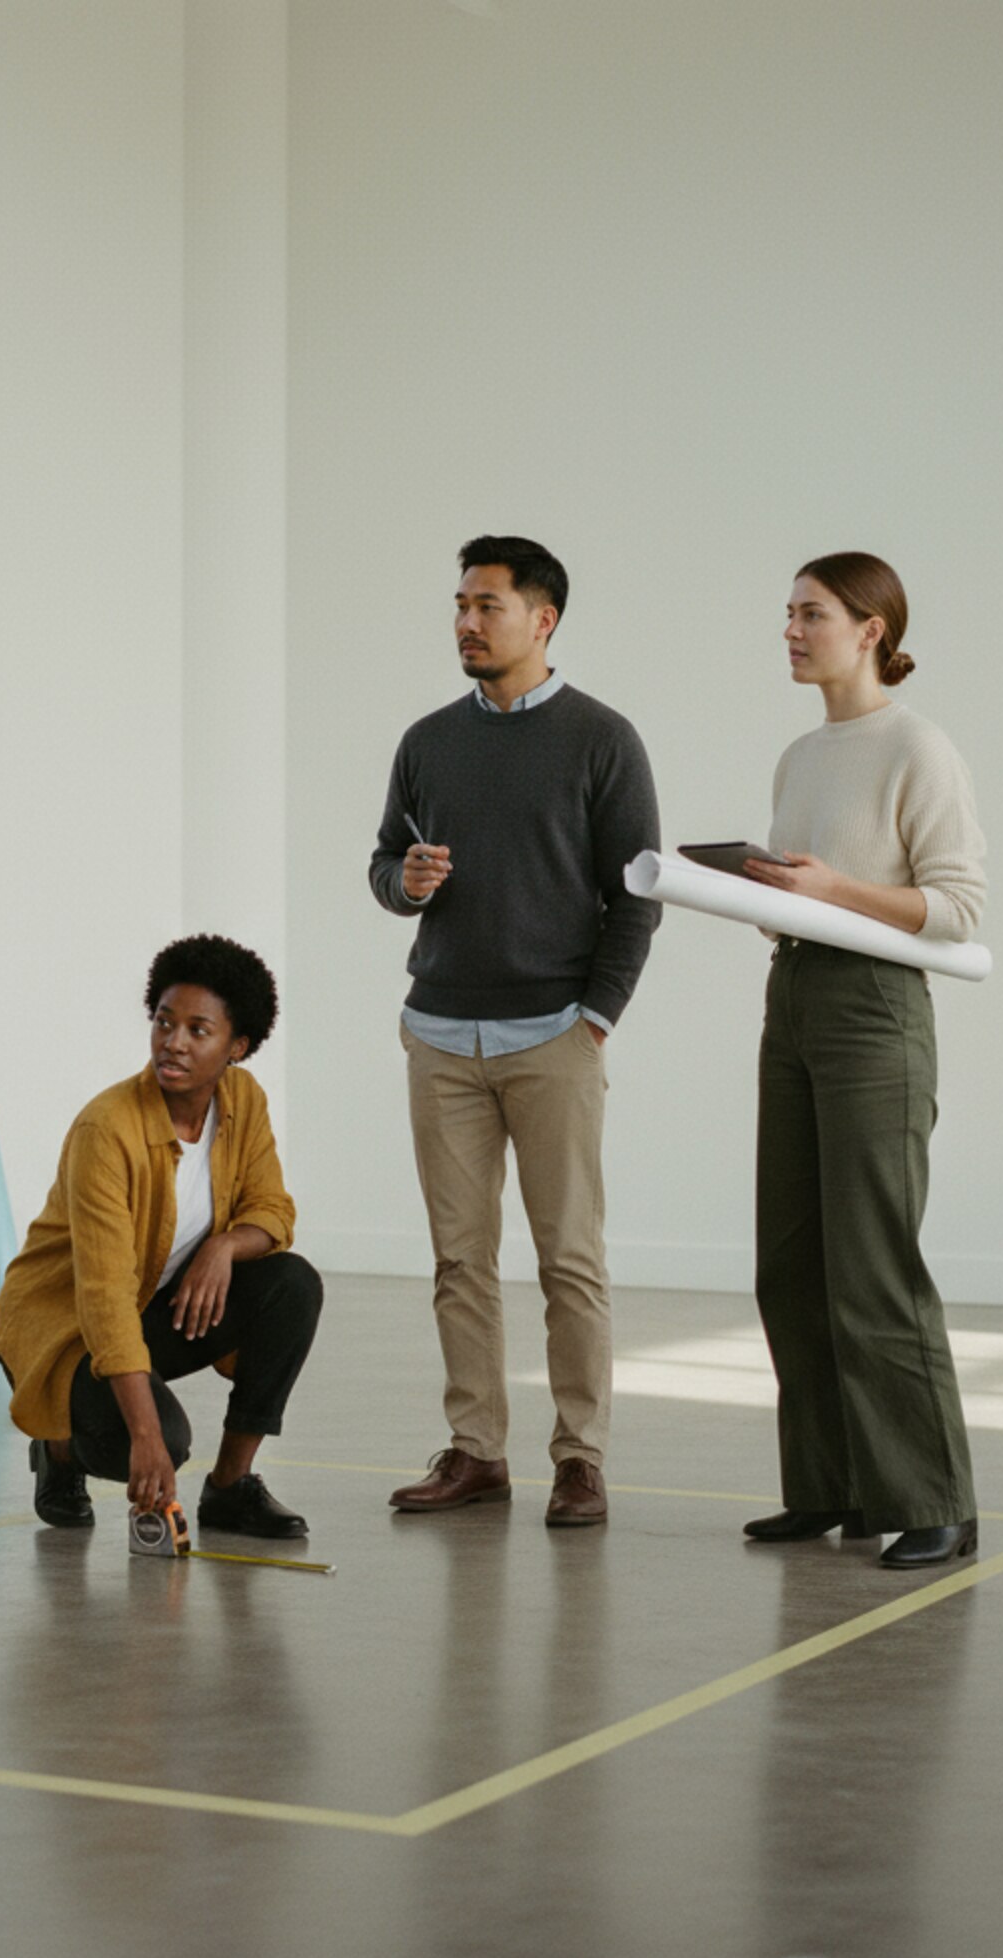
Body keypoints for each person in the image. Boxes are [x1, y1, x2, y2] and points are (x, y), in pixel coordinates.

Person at [369, 535, 661, 1527]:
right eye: (458, 603)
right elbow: (383, 860)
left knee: (567, 1258)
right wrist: (399, 884)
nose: (464, 621)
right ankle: (475, 1452)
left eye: (486, 605)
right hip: (439, 1035)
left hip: (552, 1038)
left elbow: (638, 895)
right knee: (459, 1259)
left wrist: (596, 1016)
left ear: (542, 619)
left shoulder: (601, 739)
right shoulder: (425, 740)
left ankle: (579, 1458)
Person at [740, 552, 985, 1569]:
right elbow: (811, 890)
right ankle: (831, 1486)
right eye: (787, 613)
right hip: (794, 993)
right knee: (790, 1261)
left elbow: (957, 907)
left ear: (871, 628)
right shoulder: (800, 754)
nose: (790, 630)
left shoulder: (916, 747)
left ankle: (932, 1497)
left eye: (811, 613)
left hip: (873, 1008)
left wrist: (832, 889)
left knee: (873, 1260)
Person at [0, 934, 321, 1538]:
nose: (173, 1042)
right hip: (68, 1326)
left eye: (199, 1030)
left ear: (236, 1047)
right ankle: (58, 1449)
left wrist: (223, 1247)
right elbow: (105, 1296)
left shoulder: (243, 1101)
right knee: (159, 1441)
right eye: (165, 1022)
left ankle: (231, 1488)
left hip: (151, 1308)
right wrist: (145, 1439)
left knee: (292, 1284)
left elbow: (273, 1209)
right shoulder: (105, 1129)